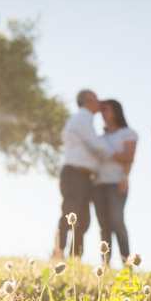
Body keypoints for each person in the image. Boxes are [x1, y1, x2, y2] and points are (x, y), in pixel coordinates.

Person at [54, 89, 117, 259]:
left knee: (82, 219)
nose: (99, 102)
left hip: (83, 176)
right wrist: (116, 154)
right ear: (89, 100)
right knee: (70, 213)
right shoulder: (82, 118)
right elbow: (95, 145)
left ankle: (75, 257)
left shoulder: (85, 121)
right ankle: (58, 252)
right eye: (96, 98)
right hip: (74, 174)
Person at [93, 99, 137, 265]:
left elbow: (129, 157)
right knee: (103, 225)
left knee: (116, 219)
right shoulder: (100, 137)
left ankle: (128, 263)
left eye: (106, 110)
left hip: (116, 182)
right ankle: (105, 265)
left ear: (115, 111)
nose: (103, 114)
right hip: (98, 184)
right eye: (101, 111)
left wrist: (125, 178)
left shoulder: (127, 133)